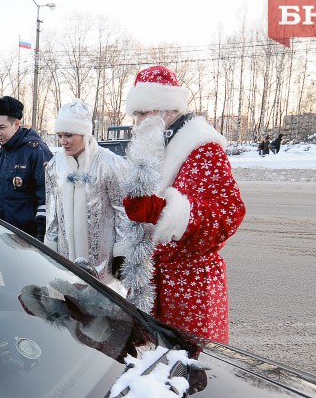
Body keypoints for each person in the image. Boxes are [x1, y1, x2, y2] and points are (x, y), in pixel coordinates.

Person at [121, 65, 246, 344]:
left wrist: (163, 211)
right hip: (149, 282)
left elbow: (228, 214)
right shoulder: (155, 148)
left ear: (167, 109)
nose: (138, 123)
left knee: (189, 370)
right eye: (136, 114)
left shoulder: (202, 148)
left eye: (143, 113)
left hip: (190, 288)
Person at [44, 99, 129, 288]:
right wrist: (50, 247)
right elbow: (52, 212)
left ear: (84, 133)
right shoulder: (55, 166)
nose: (63, 141)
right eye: (59, 135)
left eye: (68, 135)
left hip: (102, 264)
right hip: (66, 261)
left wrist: (122, 254)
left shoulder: (109, 164)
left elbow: (123, 211)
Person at [0, 96, 53, 241]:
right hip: (2, 237)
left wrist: (41, 239)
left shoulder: (36, 151)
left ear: (16, 124)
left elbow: (48, 199)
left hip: (28, 240)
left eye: (2, 127)